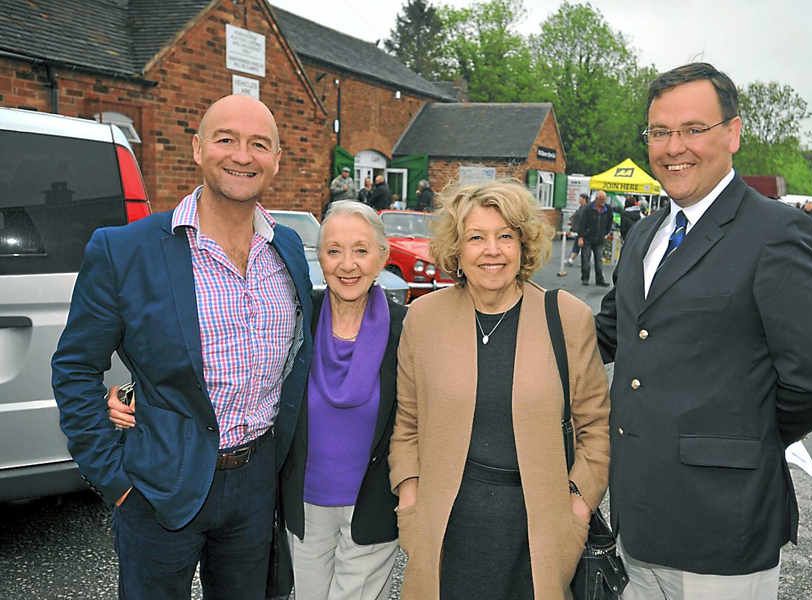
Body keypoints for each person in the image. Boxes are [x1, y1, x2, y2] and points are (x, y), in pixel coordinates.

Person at [594, 63, 812, 599]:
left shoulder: (776, 232)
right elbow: (612, 332)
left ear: (732, 133)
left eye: (693, 129)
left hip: (722, 530)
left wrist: (746, 433)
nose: (673, 147)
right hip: (636, 524)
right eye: (660, 132)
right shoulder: (644, 234)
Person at [52, 94, 314, 599]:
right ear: (197, 149)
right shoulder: (125, 250)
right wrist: (115, 479)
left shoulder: (288, 251)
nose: (242, 156)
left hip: (256, 484)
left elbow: (298, 359)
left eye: (259, 144)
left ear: (277, 160)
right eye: (226, 139)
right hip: (157, 484)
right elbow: (75, 368)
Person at [110, 201, 405, 600]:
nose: (347, 264)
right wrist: (134, 393)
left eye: (361, 250)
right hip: (303, 507)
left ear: (382, 256)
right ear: (318, 258)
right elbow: (232, 364)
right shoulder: (298, 314)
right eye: (334, 250)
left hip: (372, 505)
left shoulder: (407, 329)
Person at [389, 180, 610, 600]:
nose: (492, 251)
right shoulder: (423, 318)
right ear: (457, 249)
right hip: (445, 528)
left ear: (524, 245)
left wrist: (577, 509)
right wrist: (410, 500)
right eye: (476, 237)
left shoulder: (567, 318)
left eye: (505, 236)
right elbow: (407, 422)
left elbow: (595, 427)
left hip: (539, 532)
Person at [575, 189, 613, 286]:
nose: (603, 202)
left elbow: (609, 222)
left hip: (599, 239)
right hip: (587, 238)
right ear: (596, 199)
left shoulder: (608, 209)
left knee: (599, 261)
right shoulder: (588, 208)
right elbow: (582, 223)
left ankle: (600, 280)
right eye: (601, 199)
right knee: (586, 260)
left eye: (604, 199)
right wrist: (580, 237)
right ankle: (585, 278)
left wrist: (605, 233)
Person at [565, 192, 590, 266]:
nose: (579, 200)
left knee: (582, 246)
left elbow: (581, 219)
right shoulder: (581, 207)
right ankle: (571, 260)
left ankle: (576, 261)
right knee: (578, 246)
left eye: (580, 198)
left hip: (583, 231)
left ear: (584, 199)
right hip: (579, 230)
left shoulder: (585, 208)